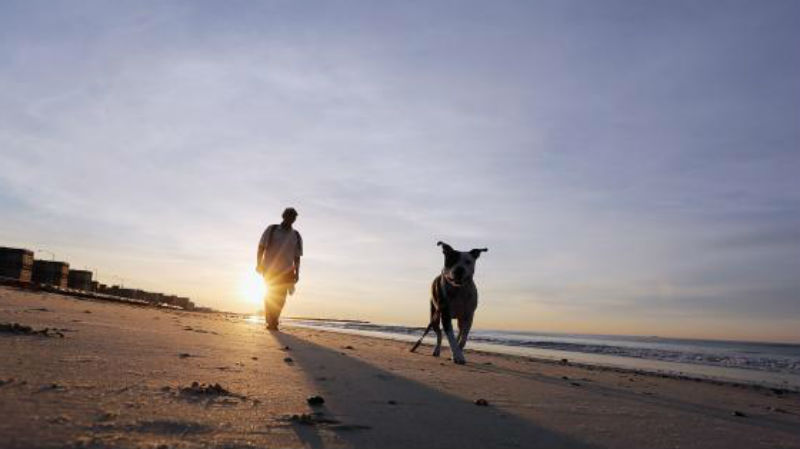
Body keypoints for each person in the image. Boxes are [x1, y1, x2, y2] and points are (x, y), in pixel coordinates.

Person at [256, 207, 303, 330]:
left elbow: (297, 257)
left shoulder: (296, 236)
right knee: (270, 294)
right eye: (289, 216)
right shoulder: (272, 230)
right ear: (283, 216)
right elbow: (261, 247)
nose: (291, 219)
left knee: (281, 298)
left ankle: (274, 319)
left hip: (287, 271)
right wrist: (258, 263)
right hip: (270, 269)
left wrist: (297, 273)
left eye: (293, 218)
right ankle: (271, 321)